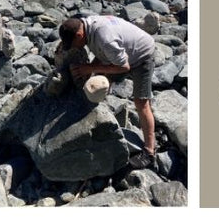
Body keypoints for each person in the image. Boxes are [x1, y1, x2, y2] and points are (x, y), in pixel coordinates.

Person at [59, 15, 156, 168]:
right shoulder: (87, 25)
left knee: (141, 103)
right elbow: (100, 53)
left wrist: (90, 68)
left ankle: (150, 152)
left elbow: (124, 67)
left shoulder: (105, 37)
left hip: (142, 56)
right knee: (100, 78)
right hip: (123, 50)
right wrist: (90, 69)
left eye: (73, 44)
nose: (74, 48)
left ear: (79, 35)